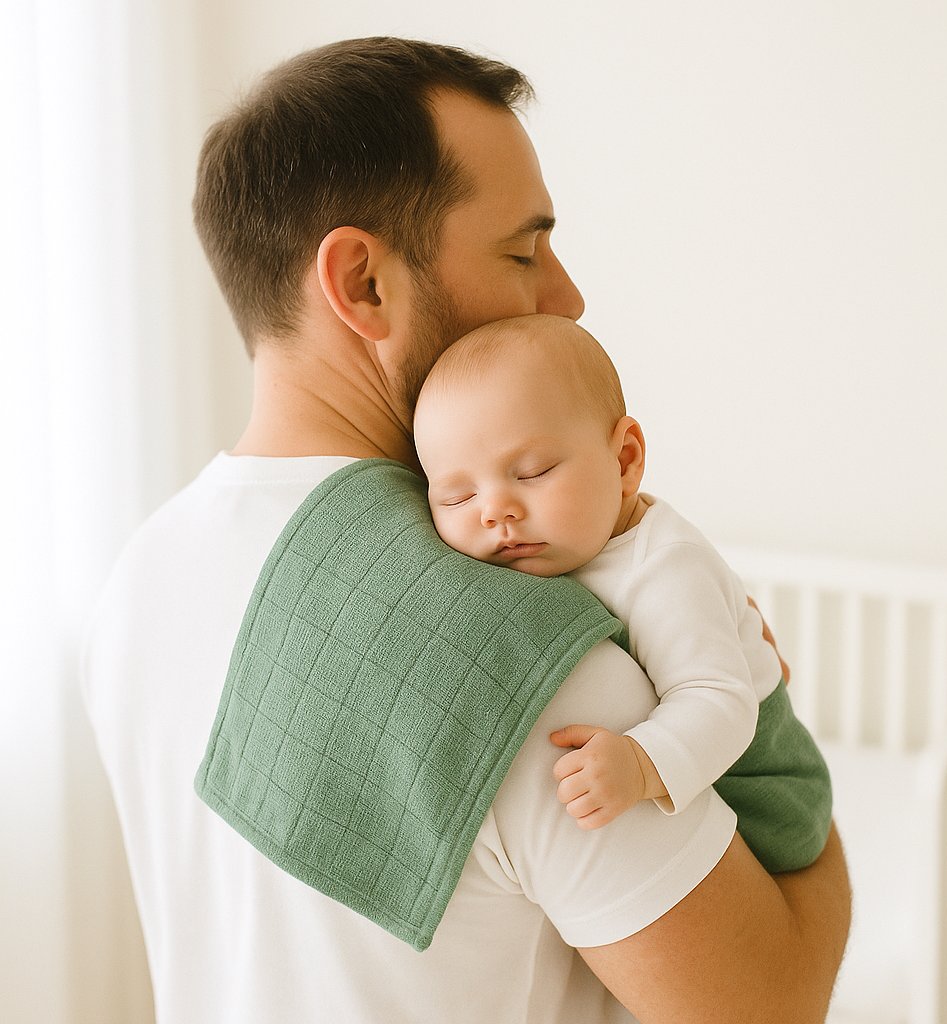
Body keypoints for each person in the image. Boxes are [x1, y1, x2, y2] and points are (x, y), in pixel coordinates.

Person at [81, 37, 850, 1024]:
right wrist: (770, 726)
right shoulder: (538, 665)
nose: (567, 297)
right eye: (521, 250)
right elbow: (769, 1002)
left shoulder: (140, 577)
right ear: (362, 283)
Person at [413, 314, 830, 866]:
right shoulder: (553, 546)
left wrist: (640, 763)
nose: (495, 511)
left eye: (533, 471)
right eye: (456, 497)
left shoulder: (664, 567)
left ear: (624, 460)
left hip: (765, 791)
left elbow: (721, 702)